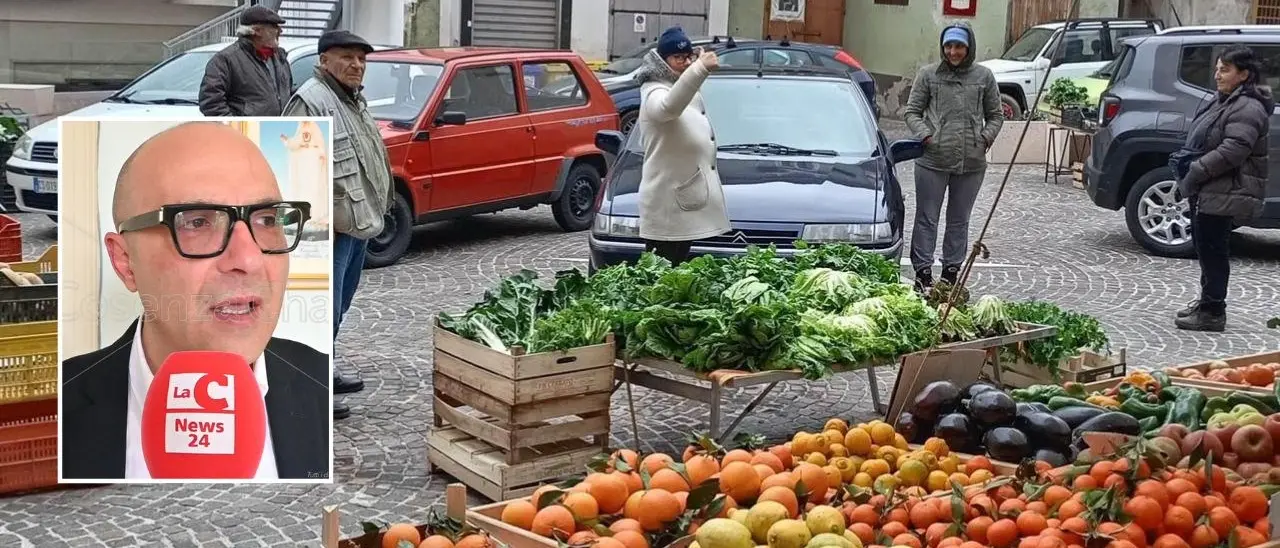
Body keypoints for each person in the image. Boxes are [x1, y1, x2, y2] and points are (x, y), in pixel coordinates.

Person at [60, 122, 330, 480]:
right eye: (197, 223)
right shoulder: (58, 408)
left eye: (267, 220)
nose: (247, 260)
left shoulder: (323, 385)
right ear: (125, 261)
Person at [284, 30, 393, 419]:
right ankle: (307, 386)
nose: (356, 65)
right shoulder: (310, 102)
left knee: (339, 307)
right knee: (320, 310)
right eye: (347, 57)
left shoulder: (353, 100)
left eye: (361, 60)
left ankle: (322, 369)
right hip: (330, 230)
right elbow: (296, 174)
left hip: (357, 223)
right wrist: (315, 235)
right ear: (324, 60)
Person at [1173, 45, 1272, 332]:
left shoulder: (1248, 107)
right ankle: (1207, 301)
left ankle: (1214, 310)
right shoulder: (1227, 100)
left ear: (1243, 74)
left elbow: (1233, 150)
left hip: (1226, 190)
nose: (1217, 75)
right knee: (1206, 247)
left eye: (1225, 70)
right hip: (1212, 188)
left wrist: (1195, 171)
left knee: (1213, 250)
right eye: (1217, 68)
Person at [903, 22, 1003, 293]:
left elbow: (996, 115)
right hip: (932, 160)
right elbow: (911, 111)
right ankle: (922, 272)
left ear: (968, 47)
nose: (953, 51)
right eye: (948, 46)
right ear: (942, 47)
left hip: (971, 162)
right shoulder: (928, 75)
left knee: (959, 219)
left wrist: (984, 137)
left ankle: (950, 271)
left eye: (959, 46)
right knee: (927, 217)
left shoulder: (983, 76)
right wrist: (926, 135)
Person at [633, 25, 730, 265]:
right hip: (667, 204)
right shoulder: (653, 89)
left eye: (688, 57)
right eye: (678, 58)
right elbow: (667, 108)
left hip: (684, 198)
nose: (685, 63)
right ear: (662, 61)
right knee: (661, 271)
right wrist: (699, 68)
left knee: (677, 268)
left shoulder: (679, 86)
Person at [198, 5, 292, 117]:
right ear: (257, 31)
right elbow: (211, 103)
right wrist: (235, 128)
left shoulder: (279, 57)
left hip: (275, 130)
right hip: (246, 132)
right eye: (274, 26)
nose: (280, 31)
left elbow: (288, 92)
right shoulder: (226, 60)